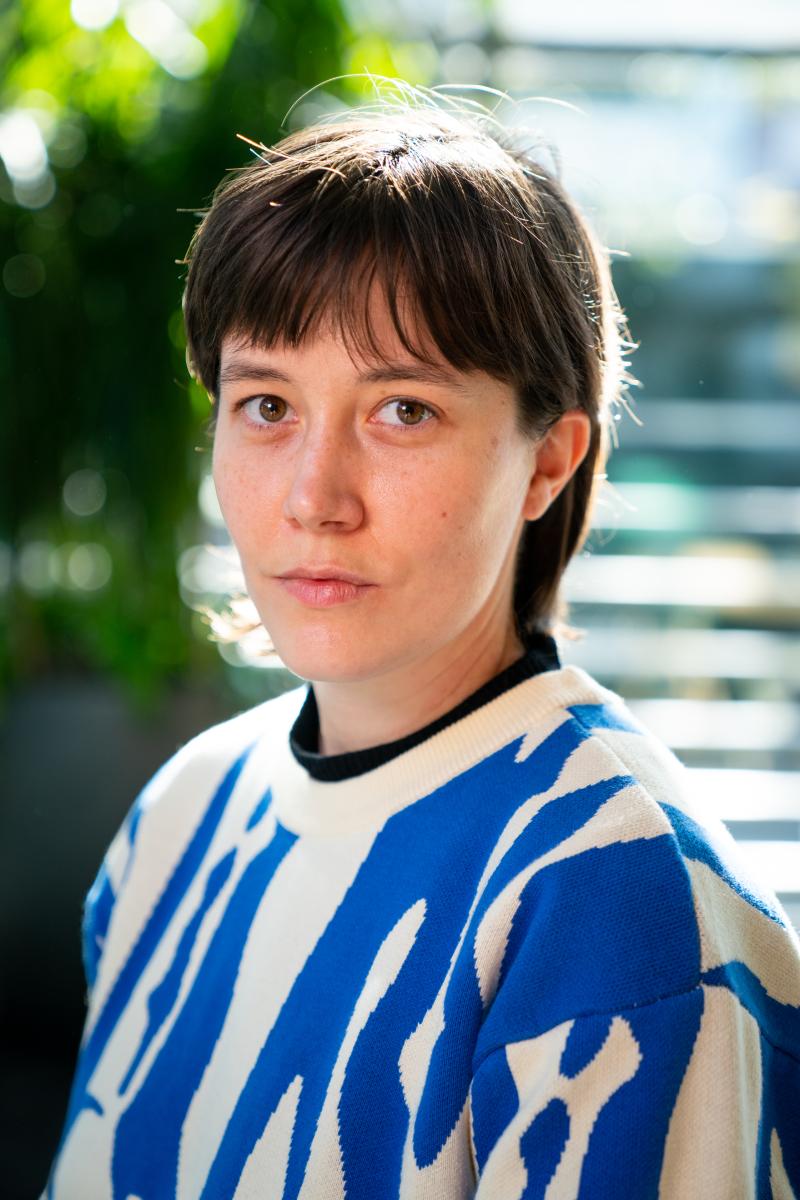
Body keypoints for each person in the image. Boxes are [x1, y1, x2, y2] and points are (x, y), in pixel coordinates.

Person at [45, 90, 800, 1199]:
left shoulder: (618, 900)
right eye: (265, 405)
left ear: (547, 461)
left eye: (402, 410)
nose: (314, 497)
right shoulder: (183, 817)